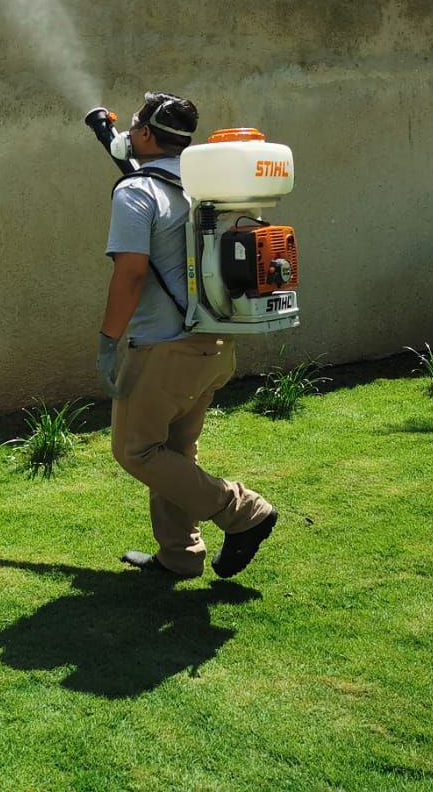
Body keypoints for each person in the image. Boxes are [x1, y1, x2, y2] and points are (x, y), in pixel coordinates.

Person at [96, 91, 278, 580]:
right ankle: (180, 555)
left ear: (149, 135)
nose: (128, 133)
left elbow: (131, 274)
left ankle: (244, 511)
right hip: (213, 342)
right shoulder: (206, 188)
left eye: (134, 126)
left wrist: (108, 339)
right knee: (174, 452)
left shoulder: (136, 191)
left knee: (135, 451)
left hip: (163, 349)